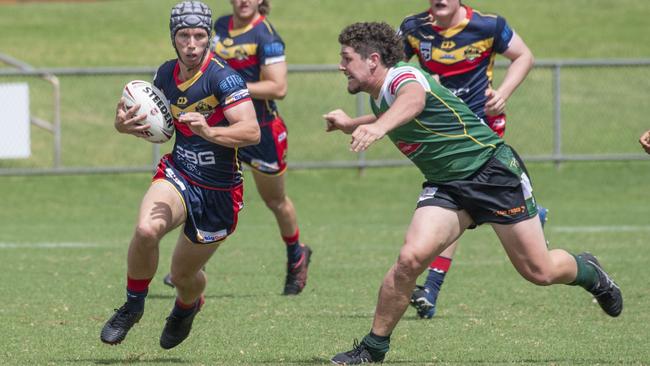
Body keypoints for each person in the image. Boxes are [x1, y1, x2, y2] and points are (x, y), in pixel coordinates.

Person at [324, 21, 622, 364]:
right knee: (409, 260)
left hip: (492, 173)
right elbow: (398, 112)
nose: (340, 65)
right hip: (447, 186)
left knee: (539, 272)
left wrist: (377, 128)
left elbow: (414, 100)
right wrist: (352, 124)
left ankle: (590, 273)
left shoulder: (403, 77)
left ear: (373, 60)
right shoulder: (381, 96)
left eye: (346, 58)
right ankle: (373, 349)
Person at [100, 1, 260, 349]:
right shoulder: (165, 74)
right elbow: (164, 130)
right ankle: (132, 306)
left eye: (199, 36)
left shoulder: (224, 77)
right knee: (146, 231)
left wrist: (210, 132)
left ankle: (187, 307)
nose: (191, 44)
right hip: (179, 172)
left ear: (209, 38)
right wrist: (125, 126)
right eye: (183, 35)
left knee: (185, 276)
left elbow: (251, 132)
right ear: (173, 38)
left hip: (219, 191)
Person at [398, 0, 545, 318]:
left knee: (459, 200)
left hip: (482, 128)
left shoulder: (488, 26)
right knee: (460, 202)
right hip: (443, 130)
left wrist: (503, 93)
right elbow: (392, 71)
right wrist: (418, 82)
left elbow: (524, 56)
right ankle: (529, 213)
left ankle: (431, 289)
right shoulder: (413, 28)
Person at [164, 0, 313, 296]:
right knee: (203, 189)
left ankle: (297, 254)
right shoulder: (215, 27)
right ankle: (192, 265)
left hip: (262, 130)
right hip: (220, 128)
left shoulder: (266, 36)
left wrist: (230, 87)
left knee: (275, 200)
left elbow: (278, 87)